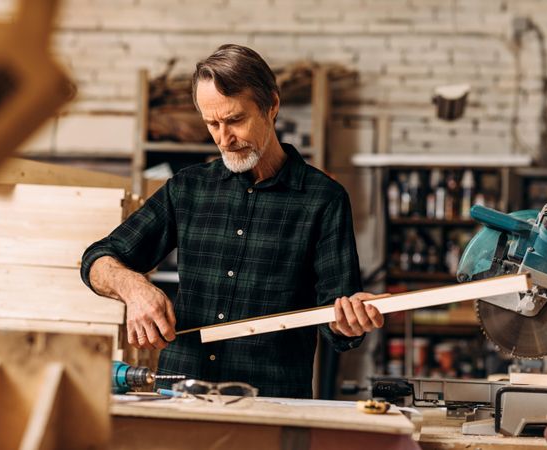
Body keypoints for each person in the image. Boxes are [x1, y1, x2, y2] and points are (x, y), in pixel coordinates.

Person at [81, 44, 384, 398]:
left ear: (271, 106)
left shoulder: (323, 199)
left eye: (235, 120)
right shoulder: (188, 188)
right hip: (182, 397)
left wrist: (348, 321)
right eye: (212, 124)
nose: (224, 139)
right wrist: (134, 289)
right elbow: (97, 258)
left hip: (272, 403)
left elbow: (340, 321)